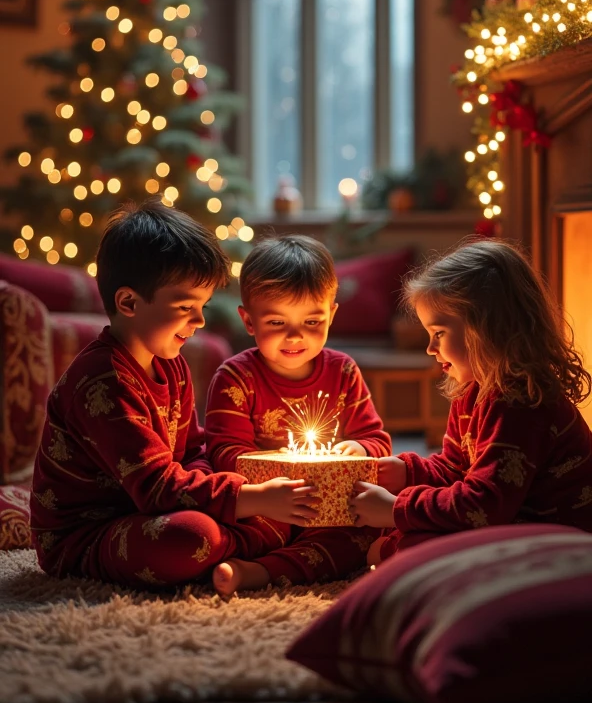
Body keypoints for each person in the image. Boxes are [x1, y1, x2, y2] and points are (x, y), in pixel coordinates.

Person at [30, 201, 321, 591]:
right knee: (191, 536)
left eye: (201, 306)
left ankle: (239, 542)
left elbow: (192, 453)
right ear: (129, 303)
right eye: (186, 306)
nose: (200, 320)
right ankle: (243, 545)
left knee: (264, 508)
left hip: (148, 511)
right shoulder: (102, 381)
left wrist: (238, 497)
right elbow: (158, 488)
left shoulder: (172, 364)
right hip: (88, 535)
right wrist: (249, 501)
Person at [350, 238, 592, 564]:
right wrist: (406, 471)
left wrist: (396, 508)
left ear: (484, 329)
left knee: (407, 545)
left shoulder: (519, 404)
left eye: (438, 334)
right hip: (509, 521)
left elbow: (483, 507)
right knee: (397, 535)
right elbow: (455, 467)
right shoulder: (473, 389)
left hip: (556, 542)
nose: (430, 349)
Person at [205, 234, 392, 594]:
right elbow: (223, 455)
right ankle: (255, 560)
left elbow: (377, 441)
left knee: (366, 531)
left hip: (328, 509)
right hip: (264, 508)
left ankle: (261, 572)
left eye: (311, 322)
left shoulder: (343, 372)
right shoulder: (234, 378)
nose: (295, 337)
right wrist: (273, 486)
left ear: (331, 315)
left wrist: (359, 449)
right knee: (228, 531)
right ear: (249, 321)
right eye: (277, 323)